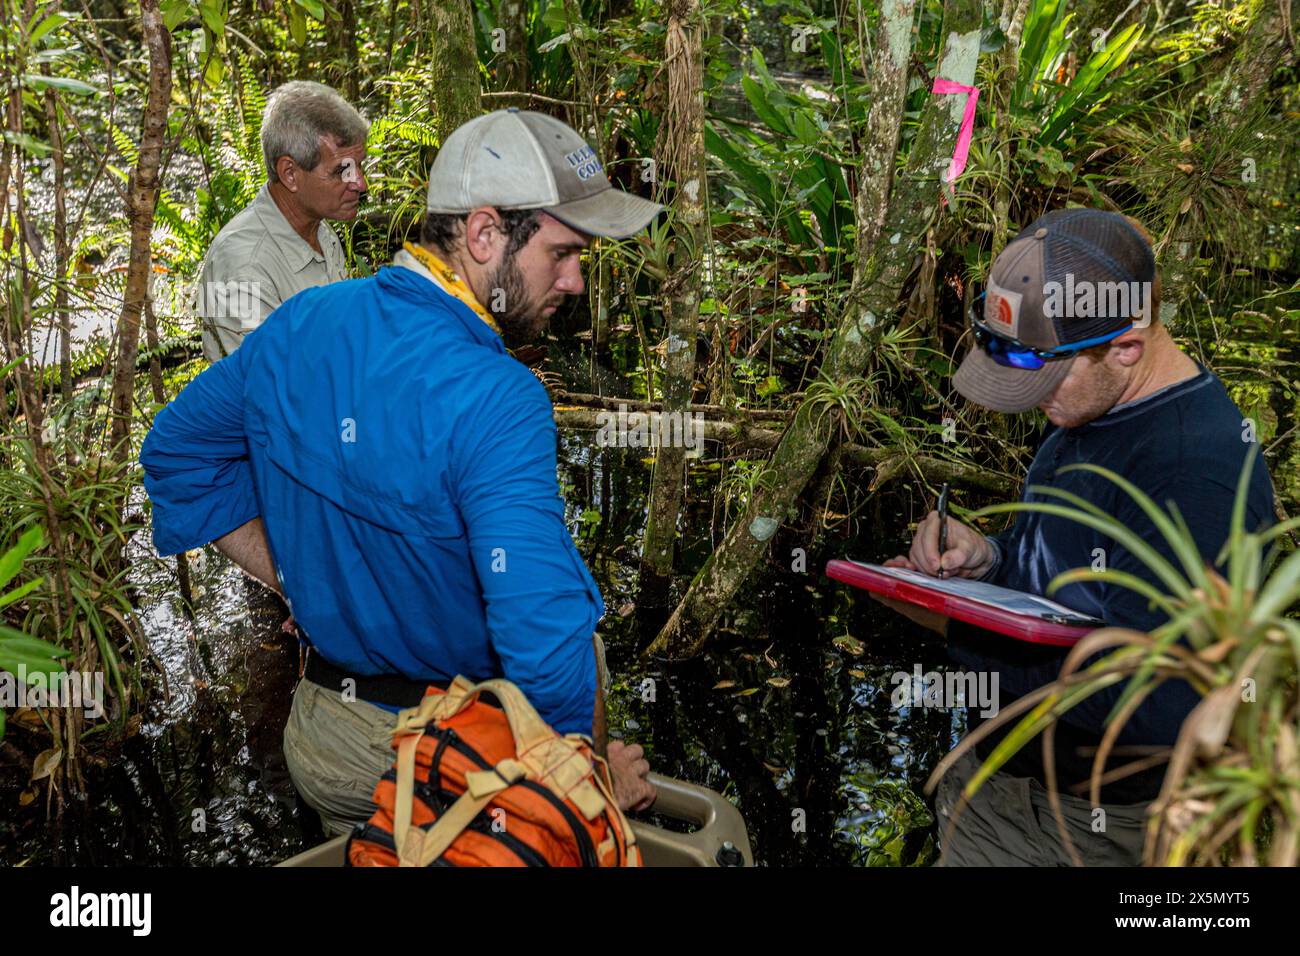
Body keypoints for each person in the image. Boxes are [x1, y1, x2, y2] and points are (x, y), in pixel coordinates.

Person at [141, 108, 664, 837]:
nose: (575, 280)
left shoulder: (303, 323)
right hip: (462, 754)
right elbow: (543, 644)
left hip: (336, 745)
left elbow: (175, 453)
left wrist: (293, 573)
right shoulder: (501, 398)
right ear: (485, 234)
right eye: (564, 252)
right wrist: (590, 783)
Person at [881, 208, 1275, 866]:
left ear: (1125, 344)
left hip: (1093, 832)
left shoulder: (1196, 472)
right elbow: (1069, 587)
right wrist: (989, 561)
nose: (1033, 400)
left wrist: (956, 631)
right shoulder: (1091, 403)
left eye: (1044, 377)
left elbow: (1164, 704)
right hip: (996, 789)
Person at [196, 80, 368, 362]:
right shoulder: (240, 265)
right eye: (342, 171)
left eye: (358, 166)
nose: (360, 184)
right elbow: (267, 387)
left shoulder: (319, 231)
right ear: (290, 173)